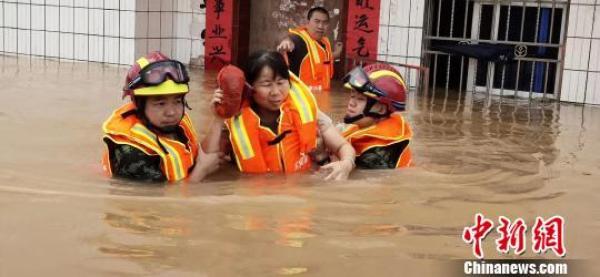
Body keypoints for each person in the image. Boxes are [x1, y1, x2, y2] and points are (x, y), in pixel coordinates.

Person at [204, 50, 355, 180]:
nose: (276, 92)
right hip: (256, 198)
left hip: (302, 190)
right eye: (267, 84)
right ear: (249, 88)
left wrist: (346, 164)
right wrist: (217, 118)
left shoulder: (305, 110)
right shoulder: (234, 121)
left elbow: (343, 146)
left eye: (281, 82)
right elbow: (206, 161)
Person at [102, 51, 221, 183]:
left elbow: (203, 157)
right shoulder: (131, 154)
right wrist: (202, 171)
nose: (171, 112)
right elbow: (162, 200)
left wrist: (219, 118)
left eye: (177, 101)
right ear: (139, 104)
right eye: (160, 103)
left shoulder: (175, 124)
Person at [339, 63, 413, 169]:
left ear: (381, 109)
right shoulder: (365, 126)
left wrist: (322, 158)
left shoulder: (374, 157)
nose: (351, 103)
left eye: (360, 99)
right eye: (352, 96)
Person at [276, 6, 343, 91]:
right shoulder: (299, 40)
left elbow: (325, 59)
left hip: (323, 97)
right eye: (317, 21)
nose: (321, 26)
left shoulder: (325, 42)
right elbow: (289, 41)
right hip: (303, 99)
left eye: (324, 23)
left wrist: (337, 53)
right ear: (307, 23)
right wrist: (285, 44)